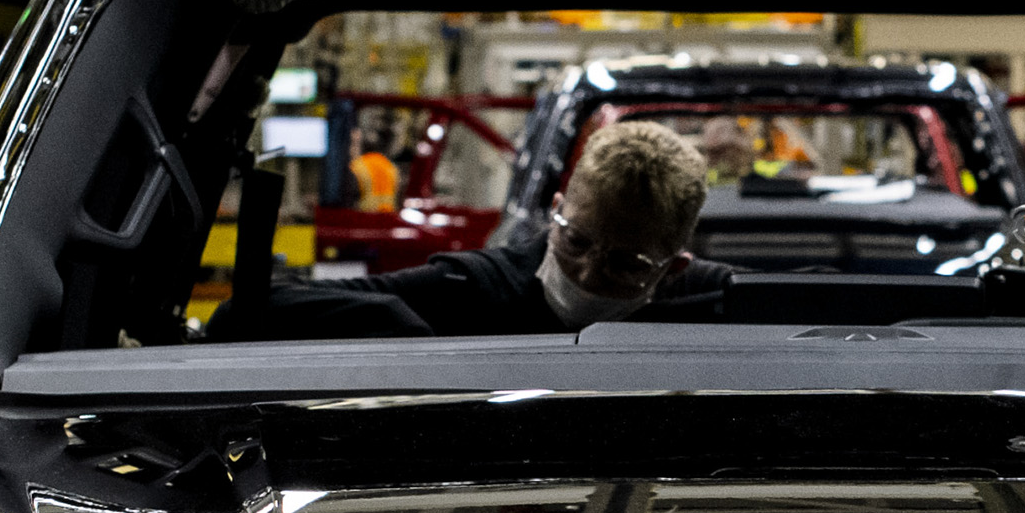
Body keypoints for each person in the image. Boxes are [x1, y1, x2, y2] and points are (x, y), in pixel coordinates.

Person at [217, 117, 726, 337]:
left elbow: (801, 300)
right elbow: (249, 312)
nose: (589, 274)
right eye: (576, 241)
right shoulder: (473, 287)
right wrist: (394, 320)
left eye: (625, 264)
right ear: (555, 212)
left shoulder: (712, 300)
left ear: (673, 267)